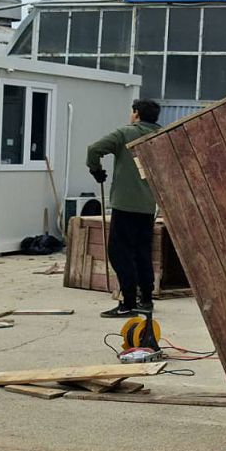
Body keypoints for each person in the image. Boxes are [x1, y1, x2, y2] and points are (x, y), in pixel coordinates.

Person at [87, 99, 162, 318]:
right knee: (142, 252)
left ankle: (128, 302)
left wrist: (96, 170)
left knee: (120, 253)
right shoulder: (161, 136)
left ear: (136, 113)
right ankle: (146, 300)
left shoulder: (125, 133)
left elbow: (94, 149)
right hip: (148, 206)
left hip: (125, 204)